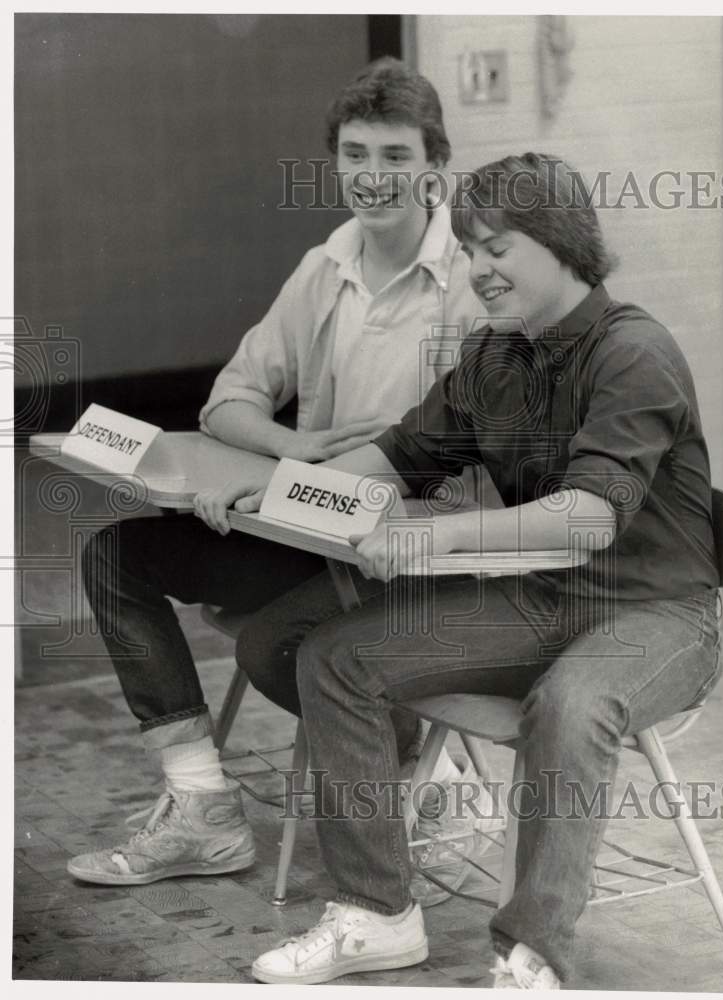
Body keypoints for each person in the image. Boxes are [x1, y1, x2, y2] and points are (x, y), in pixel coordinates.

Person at [242, 152, 722, 988]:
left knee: (572, 703)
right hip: (547, 597)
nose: (478, 269)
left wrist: (439, 540)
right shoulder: (495, 354)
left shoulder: (635, 351)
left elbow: (589, 516)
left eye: (497, 248)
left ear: (562, 242)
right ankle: (377, 913)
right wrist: (277, 491)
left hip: (661, 613)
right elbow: (396, 456)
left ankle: (532, 951)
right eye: (469, 251)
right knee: (337, 655)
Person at [67, 58, 483, 891]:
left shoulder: (474, 282)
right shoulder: (324, 266)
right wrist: (302, 449)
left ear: (436, 166)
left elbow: (455, 458)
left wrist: (326, 469)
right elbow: (230, 401)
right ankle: (203, 812)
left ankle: (434, 776)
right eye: (356, 155)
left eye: (396, 157)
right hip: (312, 530)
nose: (373, 178)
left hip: (417, 555)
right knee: (115, 556)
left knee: (274, 647)